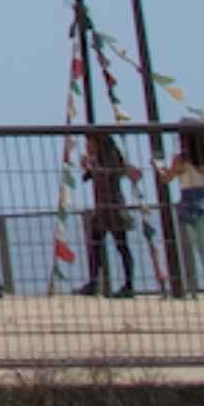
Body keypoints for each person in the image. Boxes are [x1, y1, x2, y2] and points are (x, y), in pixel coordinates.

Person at [161, 123, 204, 304]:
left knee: (202, 250)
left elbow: (166, 179)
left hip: (192, 205)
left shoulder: (181, 160)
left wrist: (158, 168)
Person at [77, 127, 138, 300]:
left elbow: (108, 175)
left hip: (114, 207)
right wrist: (88, 166)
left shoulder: (110, 158)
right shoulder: (97, 159)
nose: (87, 146)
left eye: (89, 143)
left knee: (121, 246)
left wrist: (91, 165)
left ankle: (128, 284)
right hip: (101, 208)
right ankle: (94, 281)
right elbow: (88, 177)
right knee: (96, 244)